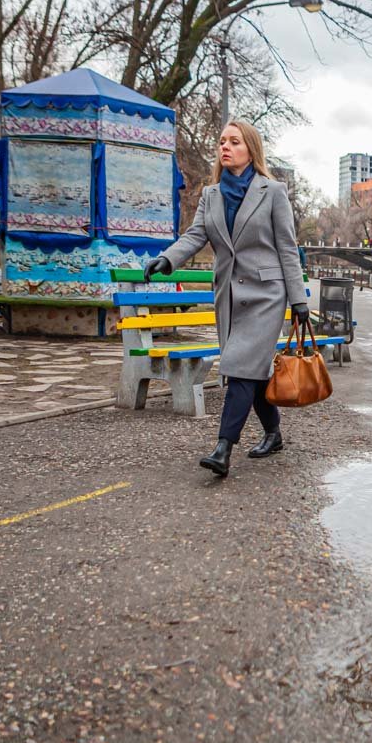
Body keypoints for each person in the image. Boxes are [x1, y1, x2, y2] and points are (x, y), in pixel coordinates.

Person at [143, 120, 308, 478]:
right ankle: (273, 432)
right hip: (230, 296)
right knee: (253, 370)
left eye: (234, 141)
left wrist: (299, 300)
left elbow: (287, 248)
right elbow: (195, 235)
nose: (225, 147)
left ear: (251, 149)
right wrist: (167, 259)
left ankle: (223, 448)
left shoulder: (273, 191)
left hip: (266, 294)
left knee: (237, 366)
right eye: (221, 142)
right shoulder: (211, 195)